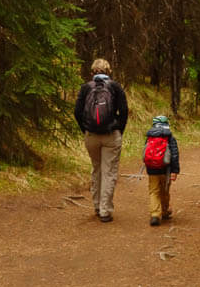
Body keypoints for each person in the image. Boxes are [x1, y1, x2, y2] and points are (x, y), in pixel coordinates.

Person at [73, 58, 129, 222]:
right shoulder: (115, 87)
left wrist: (86, 129)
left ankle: (97, 206)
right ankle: (105, 210)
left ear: (92, 73)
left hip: (91, 136)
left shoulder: (85, 88)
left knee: (96, 169)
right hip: (111, 135)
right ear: (108, 72)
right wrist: (118, 129)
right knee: (109, 171)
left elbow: (77, 112)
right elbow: (124, 111)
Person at [142, 115, 180, 227]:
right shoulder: (170, 137)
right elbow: (174, 155)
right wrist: (175, 171)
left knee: (154, 191)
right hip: (166, 170)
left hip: (152, 170)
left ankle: (155, 215)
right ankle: (164, 211)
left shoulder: (150, 136)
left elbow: (146, 153)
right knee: (165, 191)